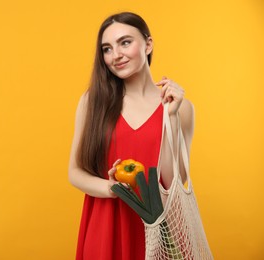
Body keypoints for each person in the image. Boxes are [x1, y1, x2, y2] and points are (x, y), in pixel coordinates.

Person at [68, 12, 194, 260]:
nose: (116, 55)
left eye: (125, 42)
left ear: (148, 44)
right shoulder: (92, 102)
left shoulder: (181, 107)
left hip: (157, 230)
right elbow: (75, 172)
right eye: (107, 48)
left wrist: (170, 117)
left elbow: (171, 182)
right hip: (105, 225)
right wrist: (112, 188)